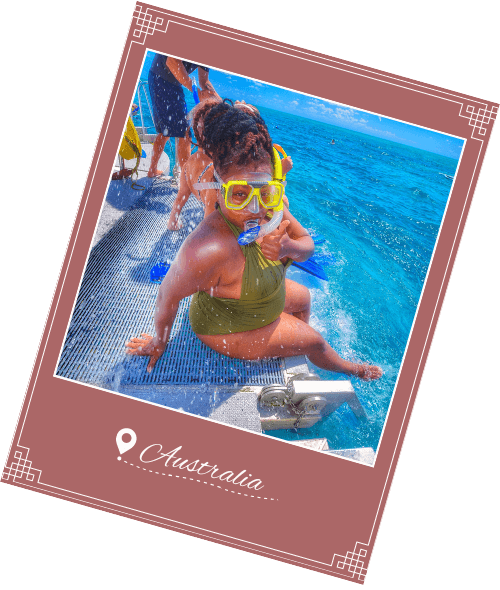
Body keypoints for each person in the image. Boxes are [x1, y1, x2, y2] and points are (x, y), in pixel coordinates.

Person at [125, 99, 382, 381]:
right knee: (316, 341)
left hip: (257, 299)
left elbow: (307, 244)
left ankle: (292, 350)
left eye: (264, 191)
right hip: (225, 326)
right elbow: (167, 293)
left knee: (305, 298)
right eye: (239, 194)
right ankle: (348, 367)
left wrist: (289, 247)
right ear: (218, 186)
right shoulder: (209, 247)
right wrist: (160, 341)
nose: (254, 207)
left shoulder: (271, 207)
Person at [167, 99, 293, 230]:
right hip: (205, 184)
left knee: (181, 197)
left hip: (193, 173)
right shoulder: (218, 181)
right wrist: (281, 171)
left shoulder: (205, 158)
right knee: (210, 219)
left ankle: (172, 222)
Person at [147, 55, 220, 178]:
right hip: (159, 77)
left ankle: (152, 170)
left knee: (166, 131)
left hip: (175, 81)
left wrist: (220, 103)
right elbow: (172, 61)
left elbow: (204, 82)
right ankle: (187, 180)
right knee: (184, 131)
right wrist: (196, 91)